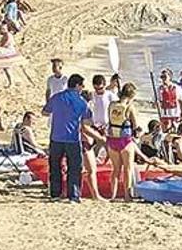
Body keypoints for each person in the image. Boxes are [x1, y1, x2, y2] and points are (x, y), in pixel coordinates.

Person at [42, 74, 103, 203]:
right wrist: (100, 138)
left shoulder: (57, 97)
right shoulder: (81, 102)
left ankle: (55, 194)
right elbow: (86, 124)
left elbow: (45, 112)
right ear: (77, 86)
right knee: (74, 168)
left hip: (56, 137)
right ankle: (73, 195)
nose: (82, 88)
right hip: (72, 139)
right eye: (81, 85)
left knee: (55, 166)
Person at [106, 83, 139, 200]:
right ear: (131, 95)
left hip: (112, 140)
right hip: (125, 141)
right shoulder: (130, 107)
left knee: (115, 169)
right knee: (127, 169)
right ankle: (127, 195)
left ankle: (113, 195)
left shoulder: (112, 105)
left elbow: (109, 119)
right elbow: (135, 125)